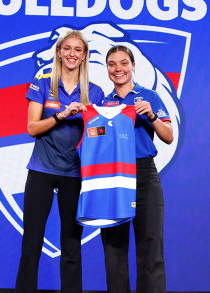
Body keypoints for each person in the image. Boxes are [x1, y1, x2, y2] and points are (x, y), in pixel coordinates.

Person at [16, 30, 104, 293]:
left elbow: (99, 136)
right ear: (58, 52)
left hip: (75, 176)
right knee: (31, 243)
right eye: (67, 48)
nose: (72, 54)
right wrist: (62, 115)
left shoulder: (95, 92)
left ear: (85, 55)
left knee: (71, 246)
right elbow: (32, 128)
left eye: (78, 50)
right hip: (41, 171)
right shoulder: (42, 83)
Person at [100, 45, 173, 293]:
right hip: (113, 178)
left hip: (144, 174)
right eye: (112, 64)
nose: (118, 68)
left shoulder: (149, 96)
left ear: (133, 66)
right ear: (107, 69)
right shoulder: (102, 102)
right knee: (114, 247)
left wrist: (151, 116)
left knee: (151, 244)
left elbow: (168, 136)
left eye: (123, 63)